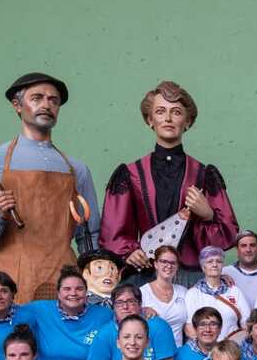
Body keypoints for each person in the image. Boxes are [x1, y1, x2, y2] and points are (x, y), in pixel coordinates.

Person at [0, 72, 101, 302]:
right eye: (37, 98)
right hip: (9, 283)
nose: (46, 105)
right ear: (17, 105)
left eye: (53, 100)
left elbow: (90, 236)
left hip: (64, 284)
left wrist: (94, 287)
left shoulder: (77, 170)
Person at [99, 80, 239, 287]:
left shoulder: (203, 174)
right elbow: (113, 231)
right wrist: (130, 252)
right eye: (160, 111)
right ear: (150, 120)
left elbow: (227, 234)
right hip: (146, 274)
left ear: (187, 121)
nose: (167, 118)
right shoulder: (130, 173)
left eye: (176, 112)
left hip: (191, 277)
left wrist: (208, 215)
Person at [87, 284, 177, 360]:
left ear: (140, 304)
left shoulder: (159, 326)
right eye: (119, 302)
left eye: (131, 301)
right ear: (113, 307)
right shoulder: (104, 334)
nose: (125, 307)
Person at [185, 245, 250, 341]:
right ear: (203, 267)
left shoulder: (234, 290)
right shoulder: (193, 294)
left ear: (222, 266)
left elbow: (246, 321)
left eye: (218, 261)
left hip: (232, 347)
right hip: (205, 347)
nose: (215, 264)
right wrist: (208, 346)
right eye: (210, 261)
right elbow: (190, 328)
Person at [140, 245, 190, 345]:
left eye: (173, 263)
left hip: (178, 351)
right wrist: (142, 310)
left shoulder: (184, 292)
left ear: (177, 267)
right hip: (152, 351)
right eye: (164, 261)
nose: (169, 266)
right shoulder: (142, 292)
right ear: (156, 264)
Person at [222, 230, 257, 306]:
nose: (248, 250)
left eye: (252, 245)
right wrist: (219, 278)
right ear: (237, 250)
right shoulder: (224, 273)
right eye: (243, 246)